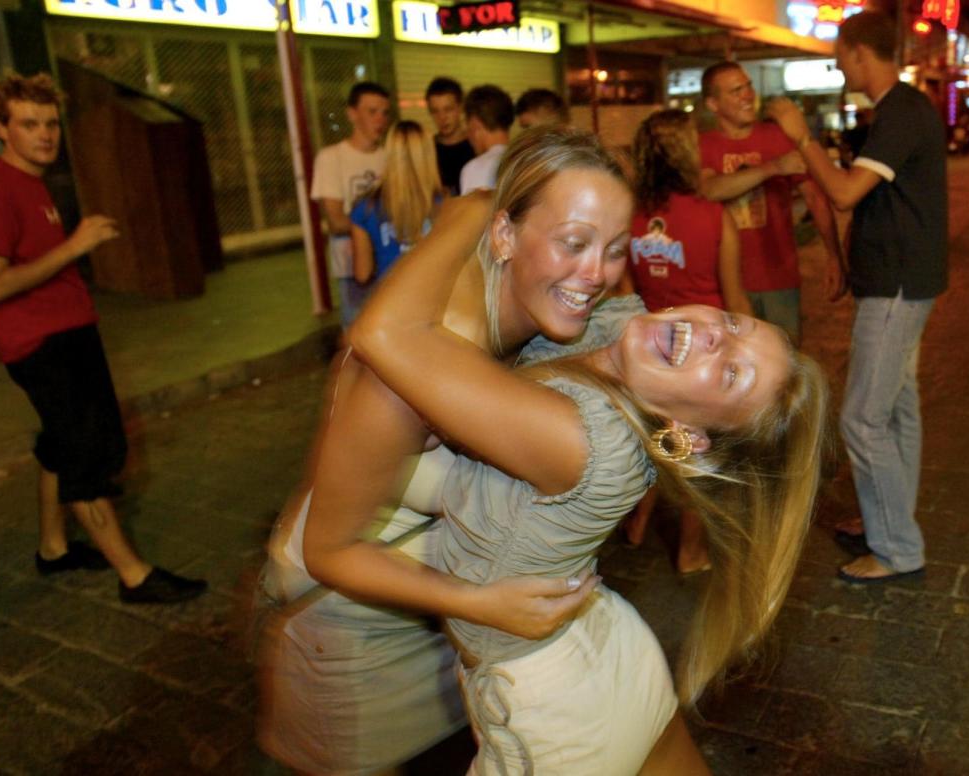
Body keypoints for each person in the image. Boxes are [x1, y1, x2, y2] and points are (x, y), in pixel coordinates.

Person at [350, 167, 828, 774]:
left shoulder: (583, 438)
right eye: (734, 324)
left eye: (732, 374)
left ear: (686, 436)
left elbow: (382, 333)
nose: (714, 338)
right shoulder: (613, 330)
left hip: (552, 708)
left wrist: (470, 214)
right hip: (604, 641)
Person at [258, 127, 634, 775]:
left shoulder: (523, 304)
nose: (596, 274)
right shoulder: (416, 365)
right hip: (354, 634)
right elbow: (329, 550)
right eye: (573, 244)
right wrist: (481, 603)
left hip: (439, 621)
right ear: (505, 235)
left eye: (616, 249)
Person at [0, 72, 206, 604]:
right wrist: (74, 247)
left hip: (68, 333)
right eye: (29, 124)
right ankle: (134, 575)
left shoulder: (31, 182)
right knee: (88, 452)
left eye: (50, 123)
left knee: (60, 443)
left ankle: (54, 549)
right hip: (40, 345)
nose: (45, 134)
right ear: (1, 128)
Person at [767, 9, 947, 584]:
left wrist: (801, 136)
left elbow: (844, 193)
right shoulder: (899, 111)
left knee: (863, 419)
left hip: (897, 286)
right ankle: (887, 521)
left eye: (840, 54)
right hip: (899, 279)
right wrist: (846, 260)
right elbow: (868, 197)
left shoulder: (900, 111)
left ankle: (896, 548)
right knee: (896, 412)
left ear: (859, 54)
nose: (838, 64)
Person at [619, 108, 753, 575]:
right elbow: (735, 297)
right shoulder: (714, 216)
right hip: (703, 352)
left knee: (661, 435)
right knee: (702, 453)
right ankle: (691, 552)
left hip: (654, 346)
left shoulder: (630, 218)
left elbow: (624, 288)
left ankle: (638, 519)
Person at [698, 61, 845, 345]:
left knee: (785, 364)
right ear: (713, 104)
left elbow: (815, 198)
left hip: (778, 279)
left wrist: (834, 256)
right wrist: (773, 168)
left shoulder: (777, 137)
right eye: (736, 90)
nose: (747, 95)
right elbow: (709, 189)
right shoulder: (704, 146)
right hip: (724, 282)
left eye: (748, 86)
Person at [311, 81, 391, 327]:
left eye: (384, 113)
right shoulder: (331, 157)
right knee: (357, 331)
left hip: (388, 261)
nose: (380, 119)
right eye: (372, 111)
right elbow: (335, 220)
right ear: (352, 114)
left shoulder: (389, 157)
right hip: (351, 263)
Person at [349, 120, 446, 285]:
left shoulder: (365, 208)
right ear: (428, 156)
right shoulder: (446, 204)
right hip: (435, 299)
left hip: (390, 302)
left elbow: (362, 274)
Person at [459, 84, 513, 194]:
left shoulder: (473, 169)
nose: (467, 135)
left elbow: (472, 211)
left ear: (475, 124)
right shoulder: (527, 161)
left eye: (467, 126)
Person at [425, 76, 474, 195]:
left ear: (460, 108)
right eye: (435, 111)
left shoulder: (475, 145)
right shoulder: (426, 149)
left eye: (448, 109)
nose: (442, 118)